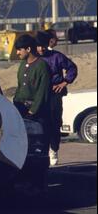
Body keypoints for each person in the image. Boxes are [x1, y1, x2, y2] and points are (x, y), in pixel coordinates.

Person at [13, 34, 51, 194]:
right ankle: (24, 180)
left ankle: (38, 183)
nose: (18, 53)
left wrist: (32, 111)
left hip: (36, 114)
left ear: (28, 49)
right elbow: (20, 88)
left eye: (20, 50)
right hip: (21, 111)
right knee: (21, 149)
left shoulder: (41, 66)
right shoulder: (22, 65)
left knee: (38, 150)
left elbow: (42, 92)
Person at [36, 31, 78, 166]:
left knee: (54, 124)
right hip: (39, 97)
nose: (40, 49)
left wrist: (64, 82)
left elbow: (72, 68)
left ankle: (53, 150)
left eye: (43, 45)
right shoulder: (33, 59)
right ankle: (41, 152)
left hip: (54, 96)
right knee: (40, 125)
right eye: (38, 46)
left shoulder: (57, 57)